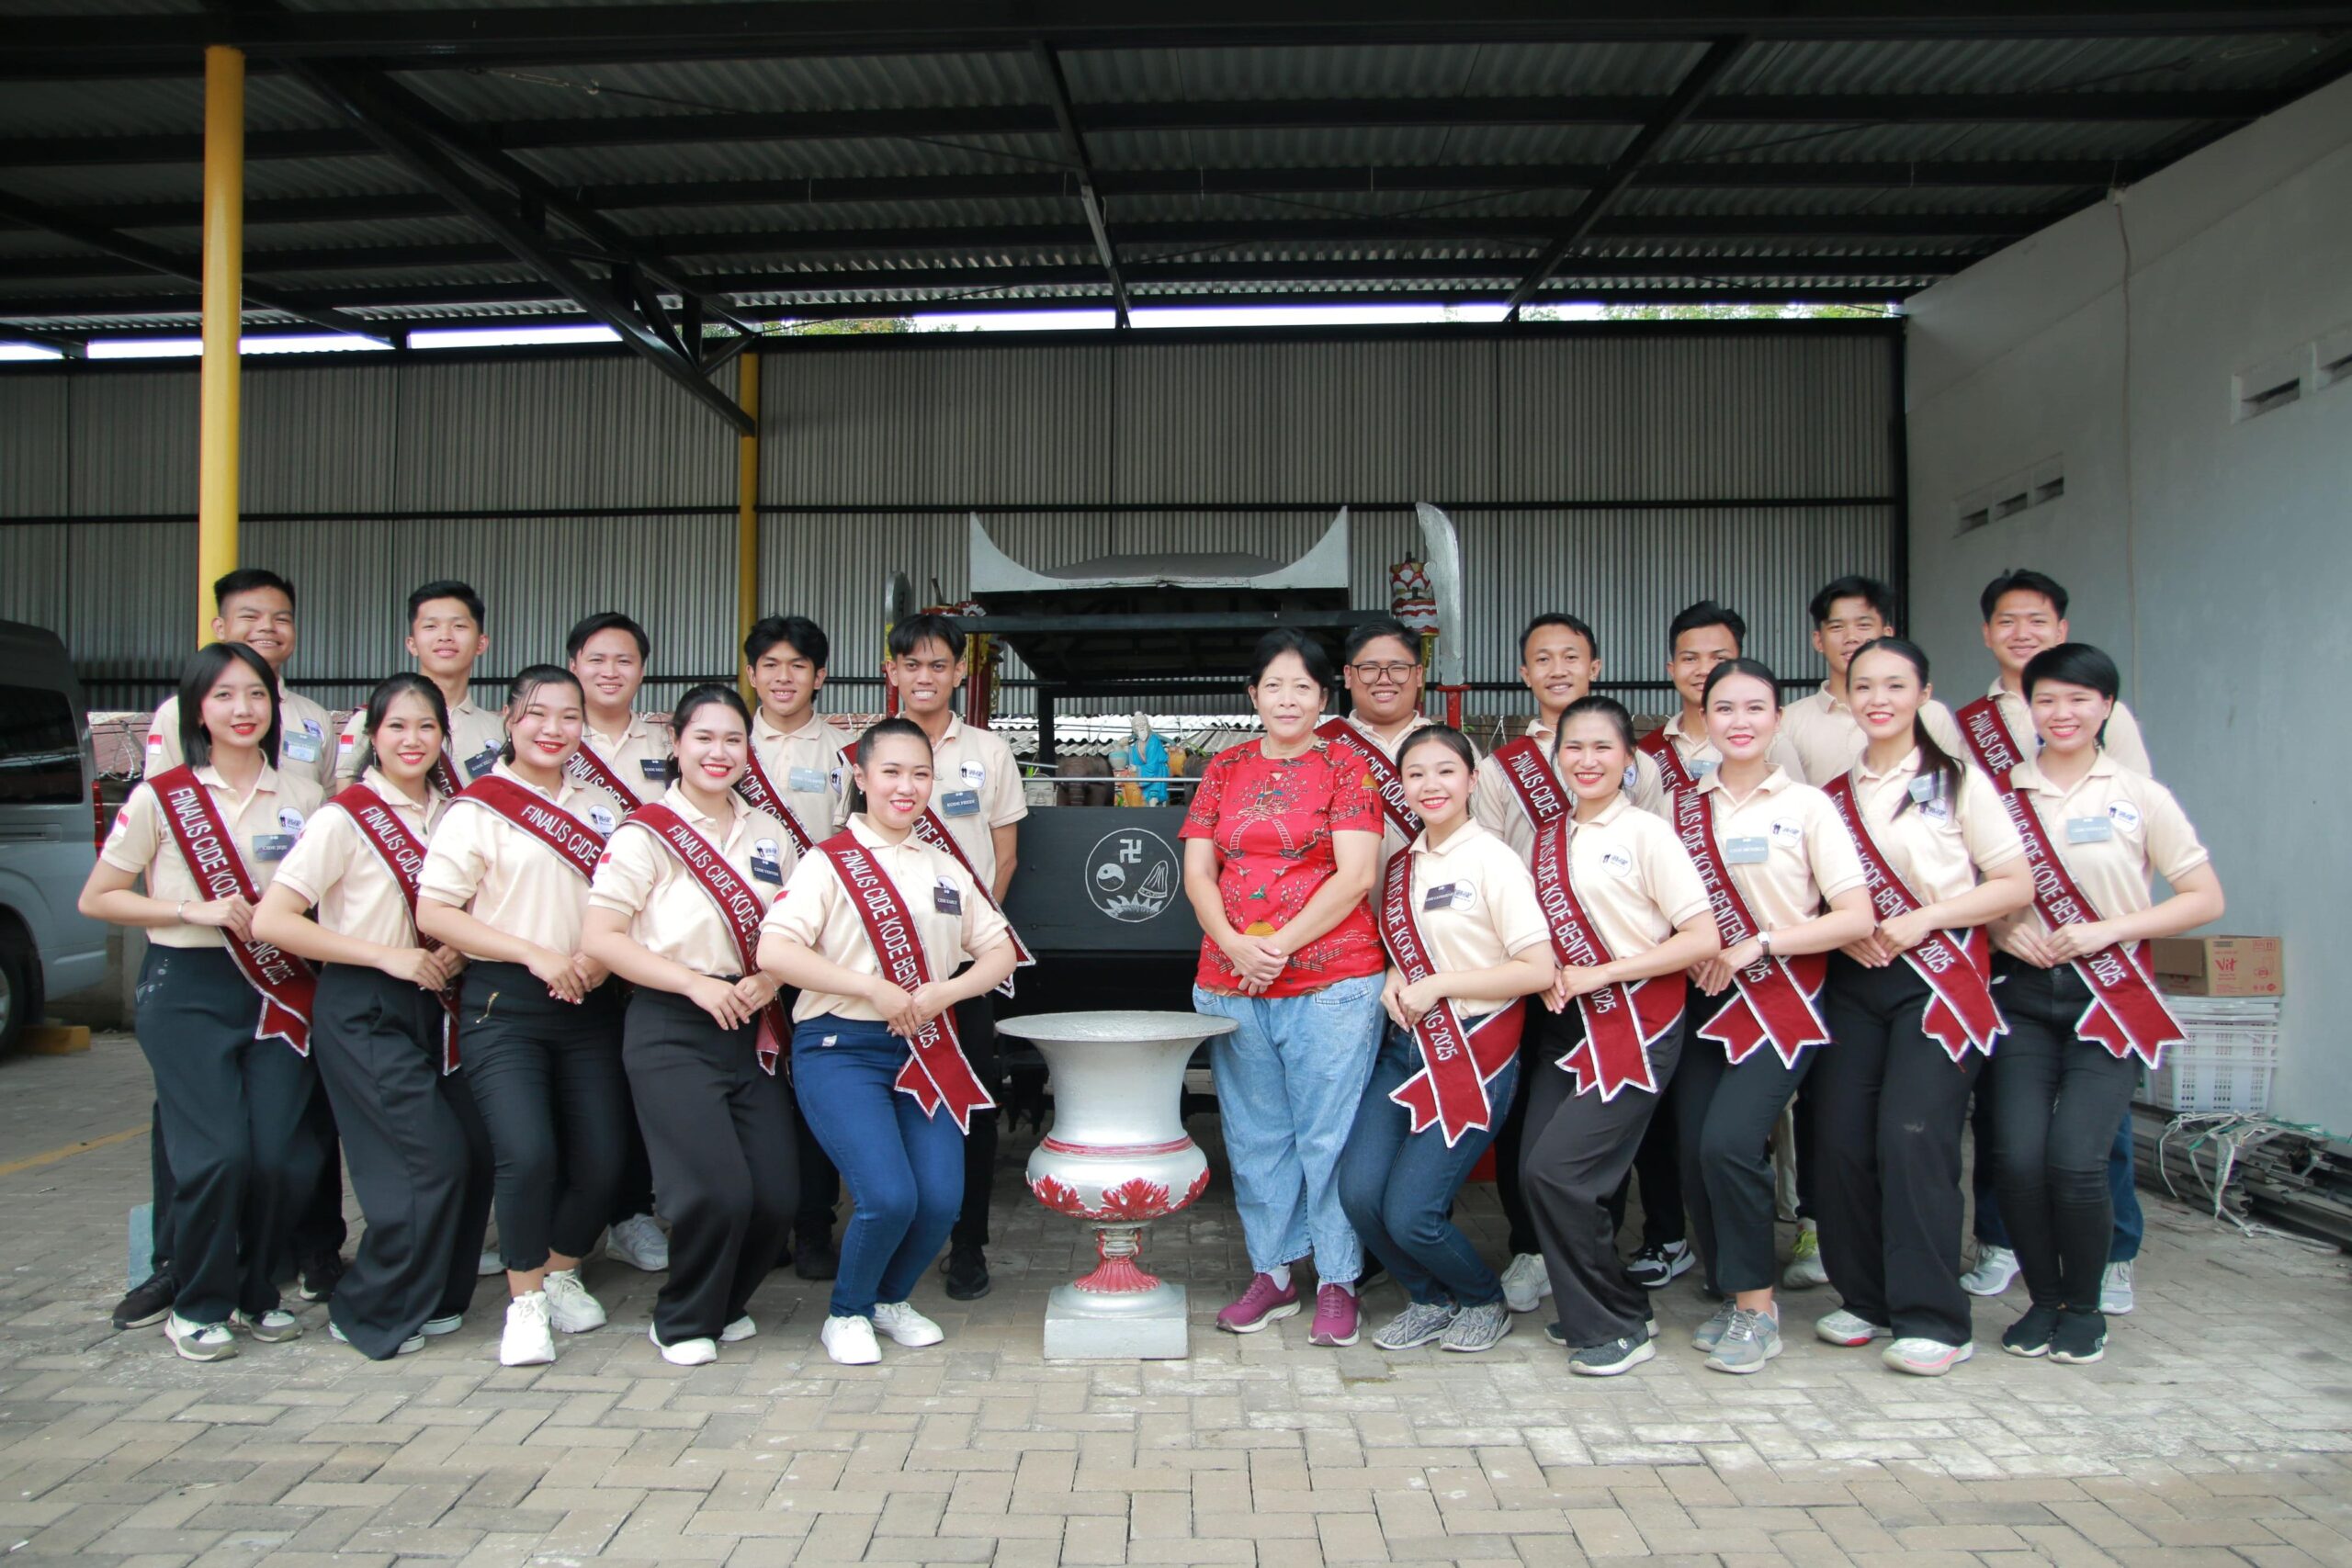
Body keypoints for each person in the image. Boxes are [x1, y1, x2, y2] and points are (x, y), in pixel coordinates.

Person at [79, 643, 326, 1361]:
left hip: (279, 989)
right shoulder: (161, 797)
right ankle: (198, 1303)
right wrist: (192, 908)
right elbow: (99, 897)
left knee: (279, 1156)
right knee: (216, 1155)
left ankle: (256, 1290)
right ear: (196, 710)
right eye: (224, 695)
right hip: (187, 988)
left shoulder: (305, 798)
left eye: (256, 694)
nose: (243, 709)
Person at [1981, 643, 2222, 1366]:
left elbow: (2203, 897)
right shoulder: (1997, 796)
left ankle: (2084, 1308)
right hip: (2021, 997)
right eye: (2047, 699)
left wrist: (2111, 929)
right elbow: (1969, 892)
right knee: (2018, 1157)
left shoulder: (2140, 794)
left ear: (2107, 706)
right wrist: (2005, 930)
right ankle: (2044, 1300)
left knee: (2077, 1158)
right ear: (2028, 708)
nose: (2062, 712)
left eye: (2079, 698)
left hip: (2109, 997)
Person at [756, 718, 1021, 1366]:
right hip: (840, 1046)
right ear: (862, 777)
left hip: (926, 1048)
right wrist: (871, 988)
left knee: (941, 1200)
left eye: (920, 774)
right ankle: (847, 1311)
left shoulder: (945, 866)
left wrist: (945, 993)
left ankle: (889, 1299)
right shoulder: (827, 861)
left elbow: (999, 950)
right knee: (888, 1196)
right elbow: (775, 951)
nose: (907, 787)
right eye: (892, 772)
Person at [1806, 639, 2031, 1377]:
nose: (1879, 699)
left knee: (1914, 1139)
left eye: (1895, 685)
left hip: (1938, 982)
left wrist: (1927, 918)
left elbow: (2013, 883)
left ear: (1924, 693)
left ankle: (1935, 1316)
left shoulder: (1959, 783)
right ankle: (1867, 1297)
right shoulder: (1829, 796)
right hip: (1853, 981)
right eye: (1865, 685)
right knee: (1840, 1140)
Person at [250, 675, 492, 1359]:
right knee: (425, 1160)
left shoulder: (460, 813)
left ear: (444, 736)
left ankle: (436, 1295)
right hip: (366, 1005)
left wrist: (455, 947)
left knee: (473, 1153)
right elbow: (274, 919)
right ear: (373, 737)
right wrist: (386, 956)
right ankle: (369, 1308)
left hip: (443, 1003)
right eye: (397, 727)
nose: (413, 740)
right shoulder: (345, 816)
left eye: (426, 727)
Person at [414, 666, 628, 1369]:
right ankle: (526, 1299)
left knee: (604, 1158)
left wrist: (599, 959)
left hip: (590, 999)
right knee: (528, 1153)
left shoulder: (602, 807)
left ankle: (562, 1268)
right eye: (538, 713)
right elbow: (435, 912)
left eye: (569, 716)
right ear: (510, 719)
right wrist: (532, 952)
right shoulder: (477, 808)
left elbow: (629, 902)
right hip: (505, 1002)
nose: (553, 729)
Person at [1182, 629, 1386, 1348]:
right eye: (1274, 685)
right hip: (1233, 980)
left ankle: (1337, 1278)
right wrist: (1236, 944)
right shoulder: (1225, 766)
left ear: (1325, 696)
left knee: (1329, 1134)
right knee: (1254, 1133)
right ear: (1253, 694)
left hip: (1331, 981)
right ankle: (1272, 1272)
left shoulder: (1348, 766)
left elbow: (1356, 875)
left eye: (1303, 686)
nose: (1288, 698)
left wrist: (1277, 945)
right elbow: (1199, 872)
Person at [1669, 659, 1874, 1374]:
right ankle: (1734, 1291)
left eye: (1755, 707)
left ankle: (1759, 1311)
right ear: (1705, 717)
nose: (1740, 721)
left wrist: (1759, 943)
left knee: (1731, 1142)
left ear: (1778, 718)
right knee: (1696, 1150)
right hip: (1705, 1000)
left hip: (1782, 1001)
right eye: (1725, 708)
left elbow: (1854, 916)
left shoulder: (1809, 806)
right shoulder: (1679, 809)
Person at [583, 685, 797, 1366]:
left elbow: (797, 930)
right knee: (713, 1191)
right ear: (676, 745)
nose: (718, 752)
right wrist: (692, 983)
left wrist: (772, 978)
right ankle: (680, 1318)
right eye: (703, 737)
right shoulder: (644, 832)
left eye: (733, 739)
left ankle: (724, 1303)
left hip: (750, 1023)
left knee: (777, 1194)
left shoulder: (769, 833)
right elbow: (602, 938)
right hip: (671, 1022)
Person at [1958, 570, 2152, 1310]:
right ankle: (2001, 1239)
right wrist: (2002, 923)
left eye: (2037, 620)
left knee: (2100, 1120)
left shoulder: (2108, 714)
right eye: (2007, 621)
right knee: (2005, 1109)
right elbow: (1957, 841)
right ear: (1987, 633)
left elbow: (2134, 828)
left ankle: (2114, 1251)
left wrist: (2105, 926)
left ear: (2061, 628)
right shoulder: (1965, 724)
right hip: (2007, 944)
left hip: (2094, 946)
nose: (2022, 633)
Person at [1469, 614, 1671, 1312]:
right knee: (1528, 1116)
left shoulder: (1640, 767)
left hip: (1617, 974)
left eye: (1571, 657)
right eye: (1543, 658)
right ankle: (1530, 1248)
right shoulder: (1503, 769)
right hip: (1531, 969)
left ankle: (1593, 1253)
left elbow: (1661, 861)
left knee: (1602, 1123)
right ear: (1524, 673)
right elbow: (1486, 863)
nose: (1558, 669)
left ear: (1595, 666)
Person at [1516, 697, 1719, 1375]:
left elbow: (1701, 936)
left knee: (1560, 1172)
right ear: (1557, 757)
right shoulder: (1545, 838)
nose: (1587, 759)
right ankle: (1616, 1301)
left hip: (1637, 1022)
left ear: (1630, 758)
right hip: (1566, 1027)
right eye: (1574, 747)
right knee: (1537, 1171)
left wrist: (1603, 972)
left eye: (1603, 747)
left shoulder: (1648, 833)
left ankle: (1614, 1324)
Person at [1337, 726, 1555, 1354]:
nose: (1430, 785)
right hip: (1404, 1050)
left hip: (1475, 1051)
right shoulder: (1403, 864)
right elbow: (1406, 950)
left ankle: (1483, 1299)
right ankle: (1429, 1299)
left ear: (1471, 779)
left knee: (1413, 1212)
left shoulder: (1494, 859)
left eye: (1445, 771)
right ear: (1401, 786)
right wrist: (1395, 975)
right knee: (1358, 1195)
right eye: (1416, 774)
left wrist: (1439, 984)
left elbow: (1537, 969)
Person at [884, 613, 1031, 1303]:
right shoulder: (868, 749)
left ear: (960, 672)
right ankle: (888, 1230)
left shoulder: (989, 752)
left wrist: (973, 944)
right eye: (912, 664)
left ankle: (968, 1243)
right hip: (881, 965)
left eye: (938, 664)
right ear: (892, 671)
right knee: (885, 1097)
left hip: (965, 967)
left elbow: (1005, 857)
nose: (925, 676)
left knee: (972, 1098)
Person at [741, 614, 854, 1280]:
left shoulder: (844, 754)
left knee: (812, 1091)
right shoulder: (724, 740)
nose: (784, 678)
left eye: (798, 666)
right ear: (752, 674)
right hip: (733, 951)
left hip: (816, 950)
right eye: (771, 665)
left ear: (820, 676)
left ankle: (814, 1226)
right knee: (752, 1092)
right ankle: (762, 1225)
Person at [561, 610, 673, 1278]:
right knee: (566, 1094)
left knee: (628, 1089)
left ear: (642, 669)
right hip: (562, 947)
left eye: (624, 660)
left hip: (643, 947)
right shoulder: (550, 735)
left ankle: (631, 1212)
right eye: (597, 659)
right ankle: (554, 1226)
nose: (610, 671)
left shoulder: (666, 743)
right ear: (574, 663)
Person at [1779, 577, 1964, 788]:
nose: (1851, 637)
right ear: (1818, 640)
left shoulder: (1929, 714)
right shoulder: (1789, 722)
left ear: (1887, 634)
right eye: (1837, 627)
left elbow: (1956, 790)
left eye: (1864, 625)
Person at [337, 581, 506, 789]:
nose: (445, 636)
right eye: (431, 626)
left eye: (459, 626)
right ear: (412, 644)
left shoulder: (500, 730)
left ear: (481, 643)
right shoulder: (372, 719)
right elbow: (348, 795)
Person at [1636, 601, 1804, 810]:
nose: (1704, 670)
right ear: (1672, 669)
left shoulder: (1769, 743)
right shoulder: (1647, 750)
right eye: (1690, 659)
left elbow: (1798, 811)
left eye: (1719, 658)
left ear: (1738, 664)